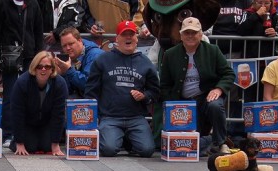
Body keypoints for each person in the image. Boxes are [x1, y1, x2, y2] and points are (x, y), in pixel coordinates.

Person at [160, 17, 235, 155]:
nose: (190, 36)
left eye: (194, 33)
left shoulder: (213, 50)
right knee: (190, 146)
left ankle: (221, 142)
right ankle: (209, 141)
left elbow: (229, 74)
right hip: (182, 102)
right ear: (180, 35)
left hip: (205, 97)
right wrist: (173, 104)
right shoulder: (170, 54)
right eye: (186, 32)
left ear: (201, 35)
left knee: (215, 105)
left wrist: (219, 89)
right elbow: (164, 85)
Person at [85, 20, 159, 158]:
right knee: (108, 149)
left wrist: (144, 96)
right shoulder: (102, 60)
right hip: (110, 117)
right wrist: (93, 118)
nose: (128, 38)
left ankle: (127, 140)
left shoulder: (146, 62)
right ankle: (120, 138)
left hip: (136, 117)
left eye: (131, 34)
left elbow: (155, 91)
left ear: (137, 38)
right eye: (124, 35)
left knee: (148, 150)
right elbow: (91, 91)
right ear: (117, 38)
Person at [0, 0, 44, 146]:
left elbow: (38, 32)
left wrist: (40, 57)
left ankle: (28, 132)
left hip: (30, 56)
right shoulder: (2, 4)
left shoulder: (33, 4)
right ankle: (8, 133)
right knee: (10, 95)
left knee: (31, 95)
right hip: (10, 57)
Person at [9, 50, 68, 156]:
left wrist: (55, 144)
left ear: (52, 69)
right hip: (28, 122)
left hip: (47, 123)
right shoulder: (22, 82)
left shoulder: (60, 84)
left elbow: (59, 115)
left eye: (47, 67)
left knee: (47, 147)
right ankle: (15, 140)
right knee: (30, 147)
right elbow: (16, 114)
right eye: (39, 66)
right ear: (34, 68)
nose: (43, 69)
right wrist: (20, 143)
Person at [53, 26, 103, 99]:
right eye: (64, 46)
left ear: (80, 41)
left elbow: (88, 85)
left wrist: (68, 70)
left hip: (98, 101)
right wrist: (61, 74)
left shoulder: (94, 55)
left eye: (70, 44)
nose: (68, 48)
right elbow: (69, 90)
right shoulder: (74, 56)